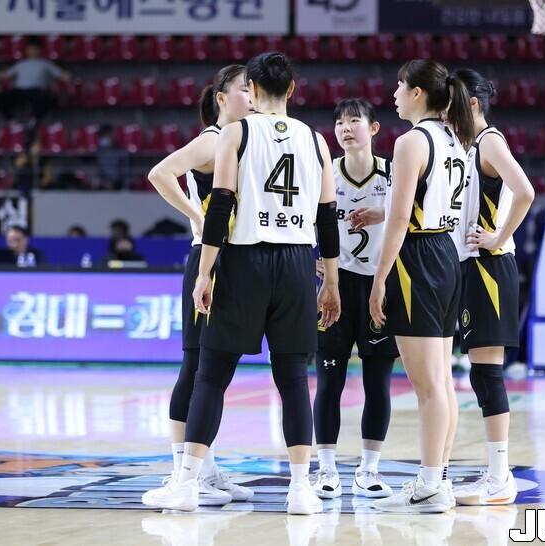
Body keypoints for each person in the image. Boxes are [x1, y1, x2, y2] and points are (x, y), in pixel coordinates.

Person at [148, 52, 341, 515]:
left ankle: (187, 484)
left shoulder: (236, 132)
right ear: (291, 89)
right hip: (298, 261)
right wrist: (331, 279)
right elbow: (327, 216)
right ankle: (301, 489)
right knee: (293, 379)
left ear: (252, 89)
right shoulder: (316, 140)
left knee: (211, 374)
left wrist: (205, 270)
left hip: (244, 260)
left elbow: (221, 205)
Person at [140, 65, 255, 509]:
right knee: (196, 368)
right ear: (222, 98)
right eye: (245, 90)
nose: (253, 97)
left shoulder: (244, 140)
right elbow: (160, 173)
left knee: (216, 374)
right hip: (208, 261)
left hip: (236, 261)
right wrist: (199, 215)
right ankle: (180, 473)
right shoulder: (212, 139)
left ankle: (203, 469)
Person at [367, 59, 474, 513]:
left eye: (399, 85)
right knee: (442, 381)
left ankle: (430, 484)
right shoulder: (455, 138)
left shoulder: (412, 141)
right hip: (445, 253)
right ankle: (437, 478)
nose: (393, 93)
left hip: (418, 258)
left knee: (428, 385)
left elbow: (399, 219)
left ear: (417, 93)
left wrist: (379, 279)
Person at [450, 69, 534, 506]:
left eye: (452, 101)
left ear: (473, 104)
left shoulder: (489, 142)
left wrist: (498, 237)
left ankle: (500, 477)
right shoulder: (467, 147)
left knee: (487, 373)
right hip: (472, 266)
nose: (445, 110)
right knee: (480, 373)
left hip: (490, 266)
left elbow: (525, 191)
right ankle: (496, 473)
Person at [312, 99, 398, 501]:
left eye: (354, 121)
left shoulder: (393, 174)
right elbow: (302, 219)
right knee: (329, 380)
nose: (346, 128)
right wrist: (311, 258)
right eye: (340, 123)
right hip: (336, 285)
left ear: (374, 128)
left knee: (377, 382)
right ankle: (327, 470)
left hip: (380, 285)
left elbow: (411, 220)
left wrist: (383, 213)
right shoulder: (325, 172)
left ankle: (368, 470)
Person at [0, 38, 71, 125]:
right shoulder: (20, 64)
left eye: (35, 49)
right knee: (1, 98)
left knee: (46, 97)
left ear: (40, 50)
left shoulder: (46, 64)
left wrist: (66, 76)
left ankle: (34, 121)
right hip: (20, 91)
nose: (32, 51)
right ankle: (13, 121)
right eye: (30, 49)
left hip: (37, 92)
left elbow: (63, 75)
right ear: (26, 50)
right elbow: (4, 75)